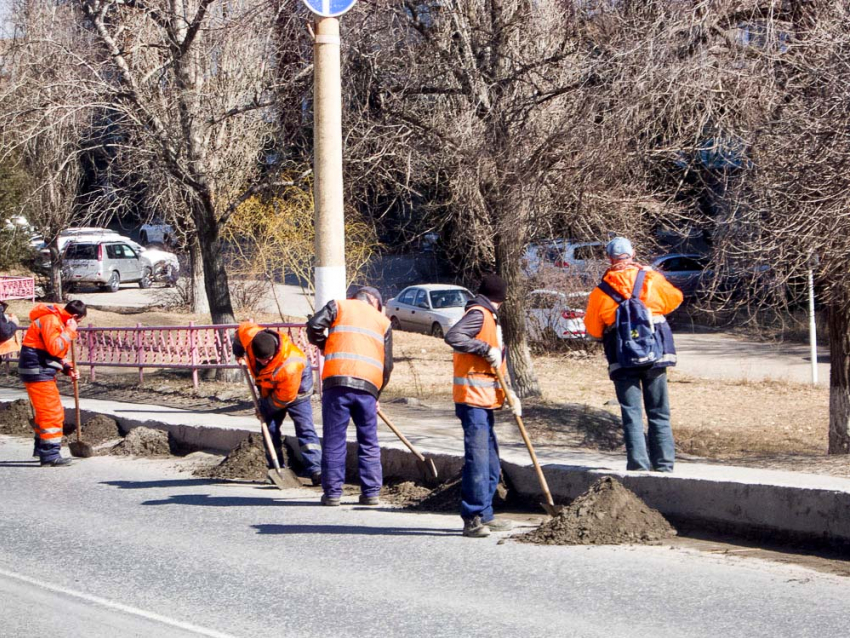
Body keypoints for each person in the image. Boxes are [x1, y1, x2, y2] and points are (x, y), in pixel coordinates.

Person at [584, 237, 683, 472]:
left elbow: (592, 329)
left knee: (631, 413)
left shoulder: (600, 292)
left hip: (622, 357)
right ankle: (664, 466)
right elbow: (675, 299)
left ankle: (638, 466)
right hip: (656, 352)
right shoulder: (652, 279)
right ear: (633, 254)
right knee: (659, 411)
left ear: (608, 259)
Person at [444, 274, 519, 538]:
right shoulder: (479, 313)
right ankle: (473, 517)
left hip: (484, 399)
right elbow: (454, 336)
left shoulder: (490, 317)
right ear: (502, 299)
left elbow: (496, 365)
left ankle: (485, 513)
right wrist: (483, 347)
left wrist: (510, 394)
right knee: (478, 458)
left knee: (489, 458)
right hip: (472, 398)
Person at [306, 286, 393, 507]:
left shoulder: (339, 306)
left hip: (337, 383)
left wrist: (325, 345)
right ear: (376, 303)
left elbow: (314, 326)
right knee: (369, 441)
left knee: (335, 440)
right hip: (368, 389)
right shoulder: (383, 322)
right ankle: (371, 493)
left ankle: (333, 493)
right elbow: (388, 365)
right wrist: (376, 395)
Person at [233, 321, 322, 485]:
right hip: (269, 385)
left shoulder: (290, 365)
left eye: (267, 360)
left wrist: (264, 408)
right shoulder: (250, 336)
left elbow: (284, 398)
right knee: (269, 427)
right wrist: (238, 352)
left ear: (274, 353)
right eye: (259, 359)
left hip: (297, 388)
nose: (262, 362)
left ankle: (316, 469)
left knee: (304, 426)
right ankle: (276, 467)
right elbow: (239, 332)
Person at [19, 300, 87, 467]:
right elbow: (55, 348)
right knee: (52, 412)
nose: (77, 325)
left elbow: (53, 354)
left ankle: (41, 448)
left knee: (44, 412)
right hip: (37, 372)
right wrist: (70, 330)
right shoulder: (51, 321)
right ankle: (50, 455)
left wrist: (67, 368)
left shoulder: (54, 320)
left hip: (38, 370)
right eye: (79, 322)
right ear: (75, 317)